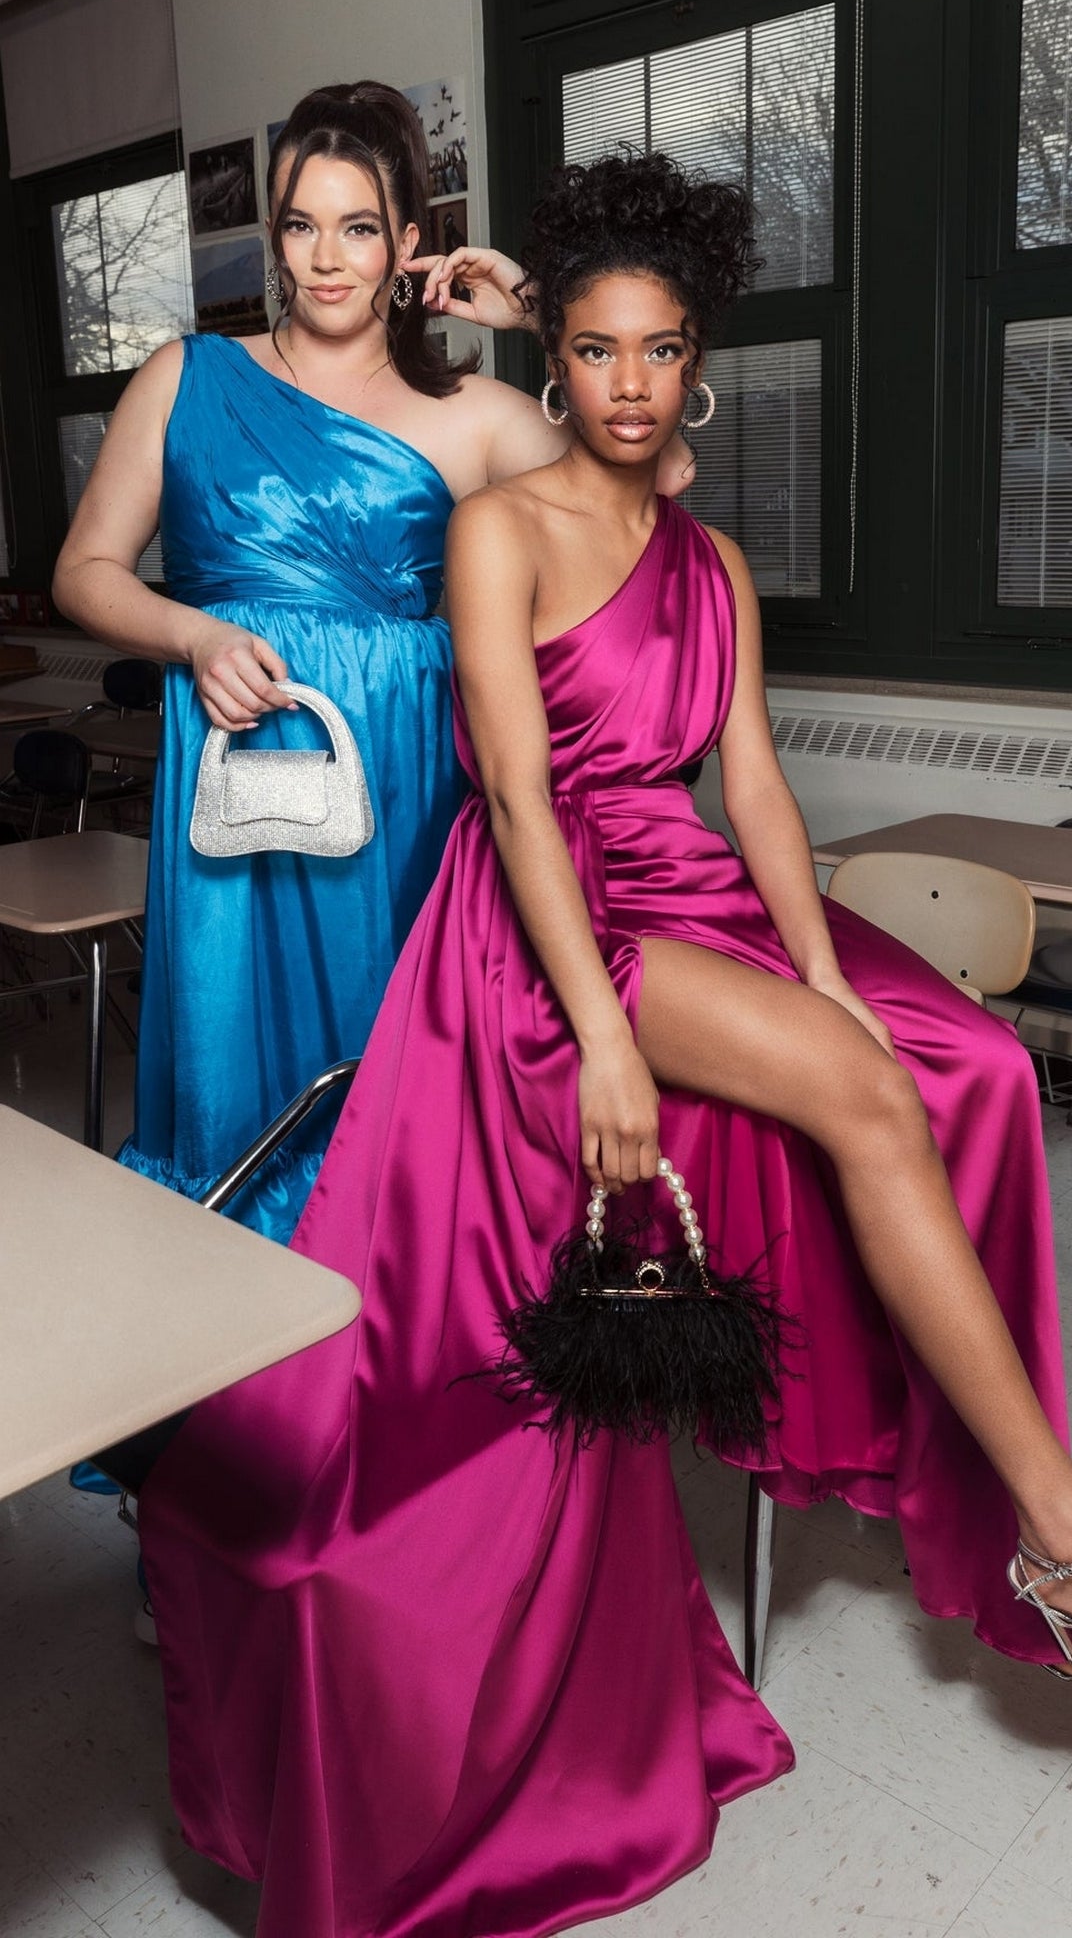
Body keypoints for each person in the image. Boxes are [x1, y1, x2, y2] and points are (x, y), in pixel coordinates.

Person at [137, 150, 1072, 1938]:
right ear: (557, 358)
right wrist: (603, 1043)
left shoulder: (710, 558)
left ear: (693, 366)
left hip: (687, 889)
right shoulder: (499, 528)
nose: (629, 382)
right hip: (545, 930)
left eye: (661, 351)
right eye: (598, 349)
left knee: (931, 1063)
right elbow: (523, 803)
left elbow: (760, 788)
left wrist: (819, 962)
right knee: (870, 1099)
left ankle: (1028, 1513)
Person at [53, 80, 693, 1243]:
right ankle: (231, 1355)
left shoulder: (472, 414)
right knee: (240, 1077)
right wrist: (189, 632)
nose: (327, 259)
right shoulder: (185, 376)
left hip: (401, 791)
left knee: (387, 1074)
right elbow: (85, 569)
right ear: (276, 241)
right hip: (237, 770)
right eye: (302, 225)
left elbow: (654, 474)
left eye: (360, 228)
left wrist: (540, 313)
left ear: (410, 246)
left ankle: (379, 1333)